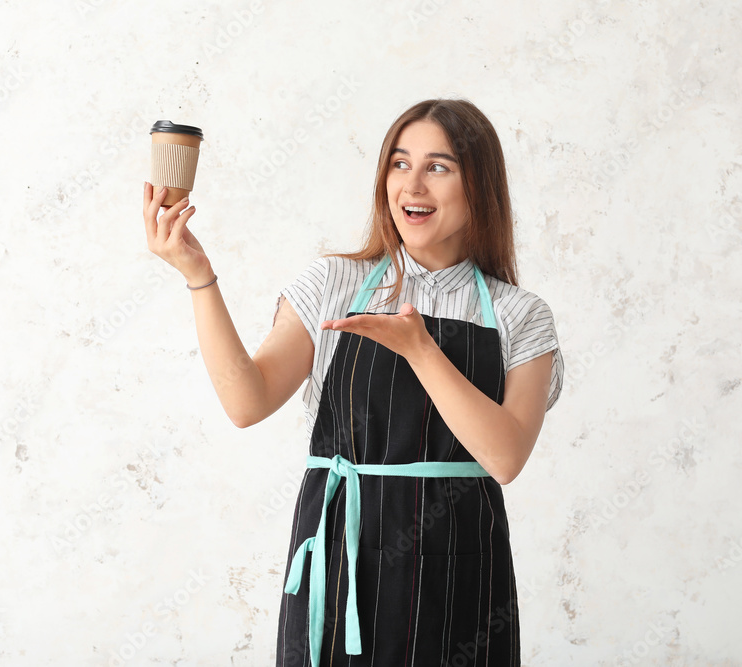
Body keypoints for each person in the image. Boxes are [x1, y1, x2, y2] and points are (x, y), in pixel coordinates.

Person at [143, 97, 564, 666]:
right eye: (398, 162)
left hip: (458, 569)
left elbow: (506, 456)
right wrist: (198, 275)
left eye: (438, 166)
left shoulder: (520, 315)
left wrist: (421, 350)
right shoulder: (336, 282)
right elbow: (247, 401)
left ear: (480, 186)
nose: (411, 184)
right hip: (342, 554)